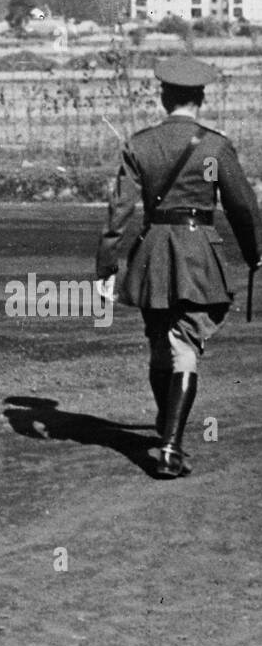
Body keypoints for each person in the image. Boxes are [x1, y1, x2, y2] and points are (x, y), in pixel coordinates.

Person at [96, 55, 261, 478]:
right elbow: (242, 206)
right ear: (201, 97)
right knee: (184, 346)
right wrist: (254, 251)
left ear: (164, 96)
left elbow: (119, 209)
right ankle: (169, 445)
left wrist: (106, 266)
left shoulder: (140, 144)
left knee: (159, 344)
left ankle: (165, 426)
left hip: (152, 255)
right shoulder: (214, 146)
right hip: (197, 256)